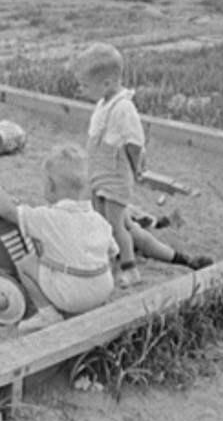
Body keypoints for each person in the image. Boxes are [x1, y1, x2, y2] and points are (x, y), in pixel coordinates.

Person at [74, 43, 212, 288]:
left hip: (115, 177)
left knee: (117, 226)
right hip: (99, 176)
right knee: (117, 224)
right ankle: (180, 258)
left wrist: (138, 167)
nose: (80, 89)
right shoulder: (103, 103)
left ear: (105, 83)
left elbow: (135, 142)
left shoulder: (123, 107)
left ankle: (130, 268)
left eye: (84, 85)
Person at [0, 145, 118, 333]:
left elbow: (7, 211)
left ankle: (47, 314)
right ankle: (92, 295)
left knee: (26, 263)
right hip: (103, 289)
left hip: (72, 298)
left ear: (51, 185)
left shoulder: (47, 217)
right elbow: (112, 253)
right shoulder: (98, 219)